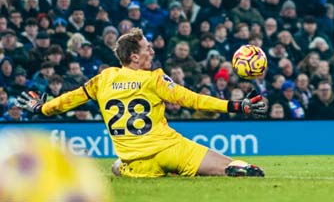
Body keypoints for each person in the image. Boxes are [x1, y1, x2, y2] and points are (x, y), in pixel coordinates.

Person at [17, 28, 268, 178]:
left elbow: (68, 100)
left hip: (136, 163)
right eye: (148, 48)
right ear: (135, 56)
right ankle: (234, 169)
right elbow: (193, 99)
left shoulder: (103, 79)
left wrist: (42, 108)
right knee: (232, 165)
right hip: (171, 150)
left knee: (117, 167)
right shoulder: (153, 79)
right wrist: (236, 105)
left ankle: (137, 169)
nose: (153, 51)